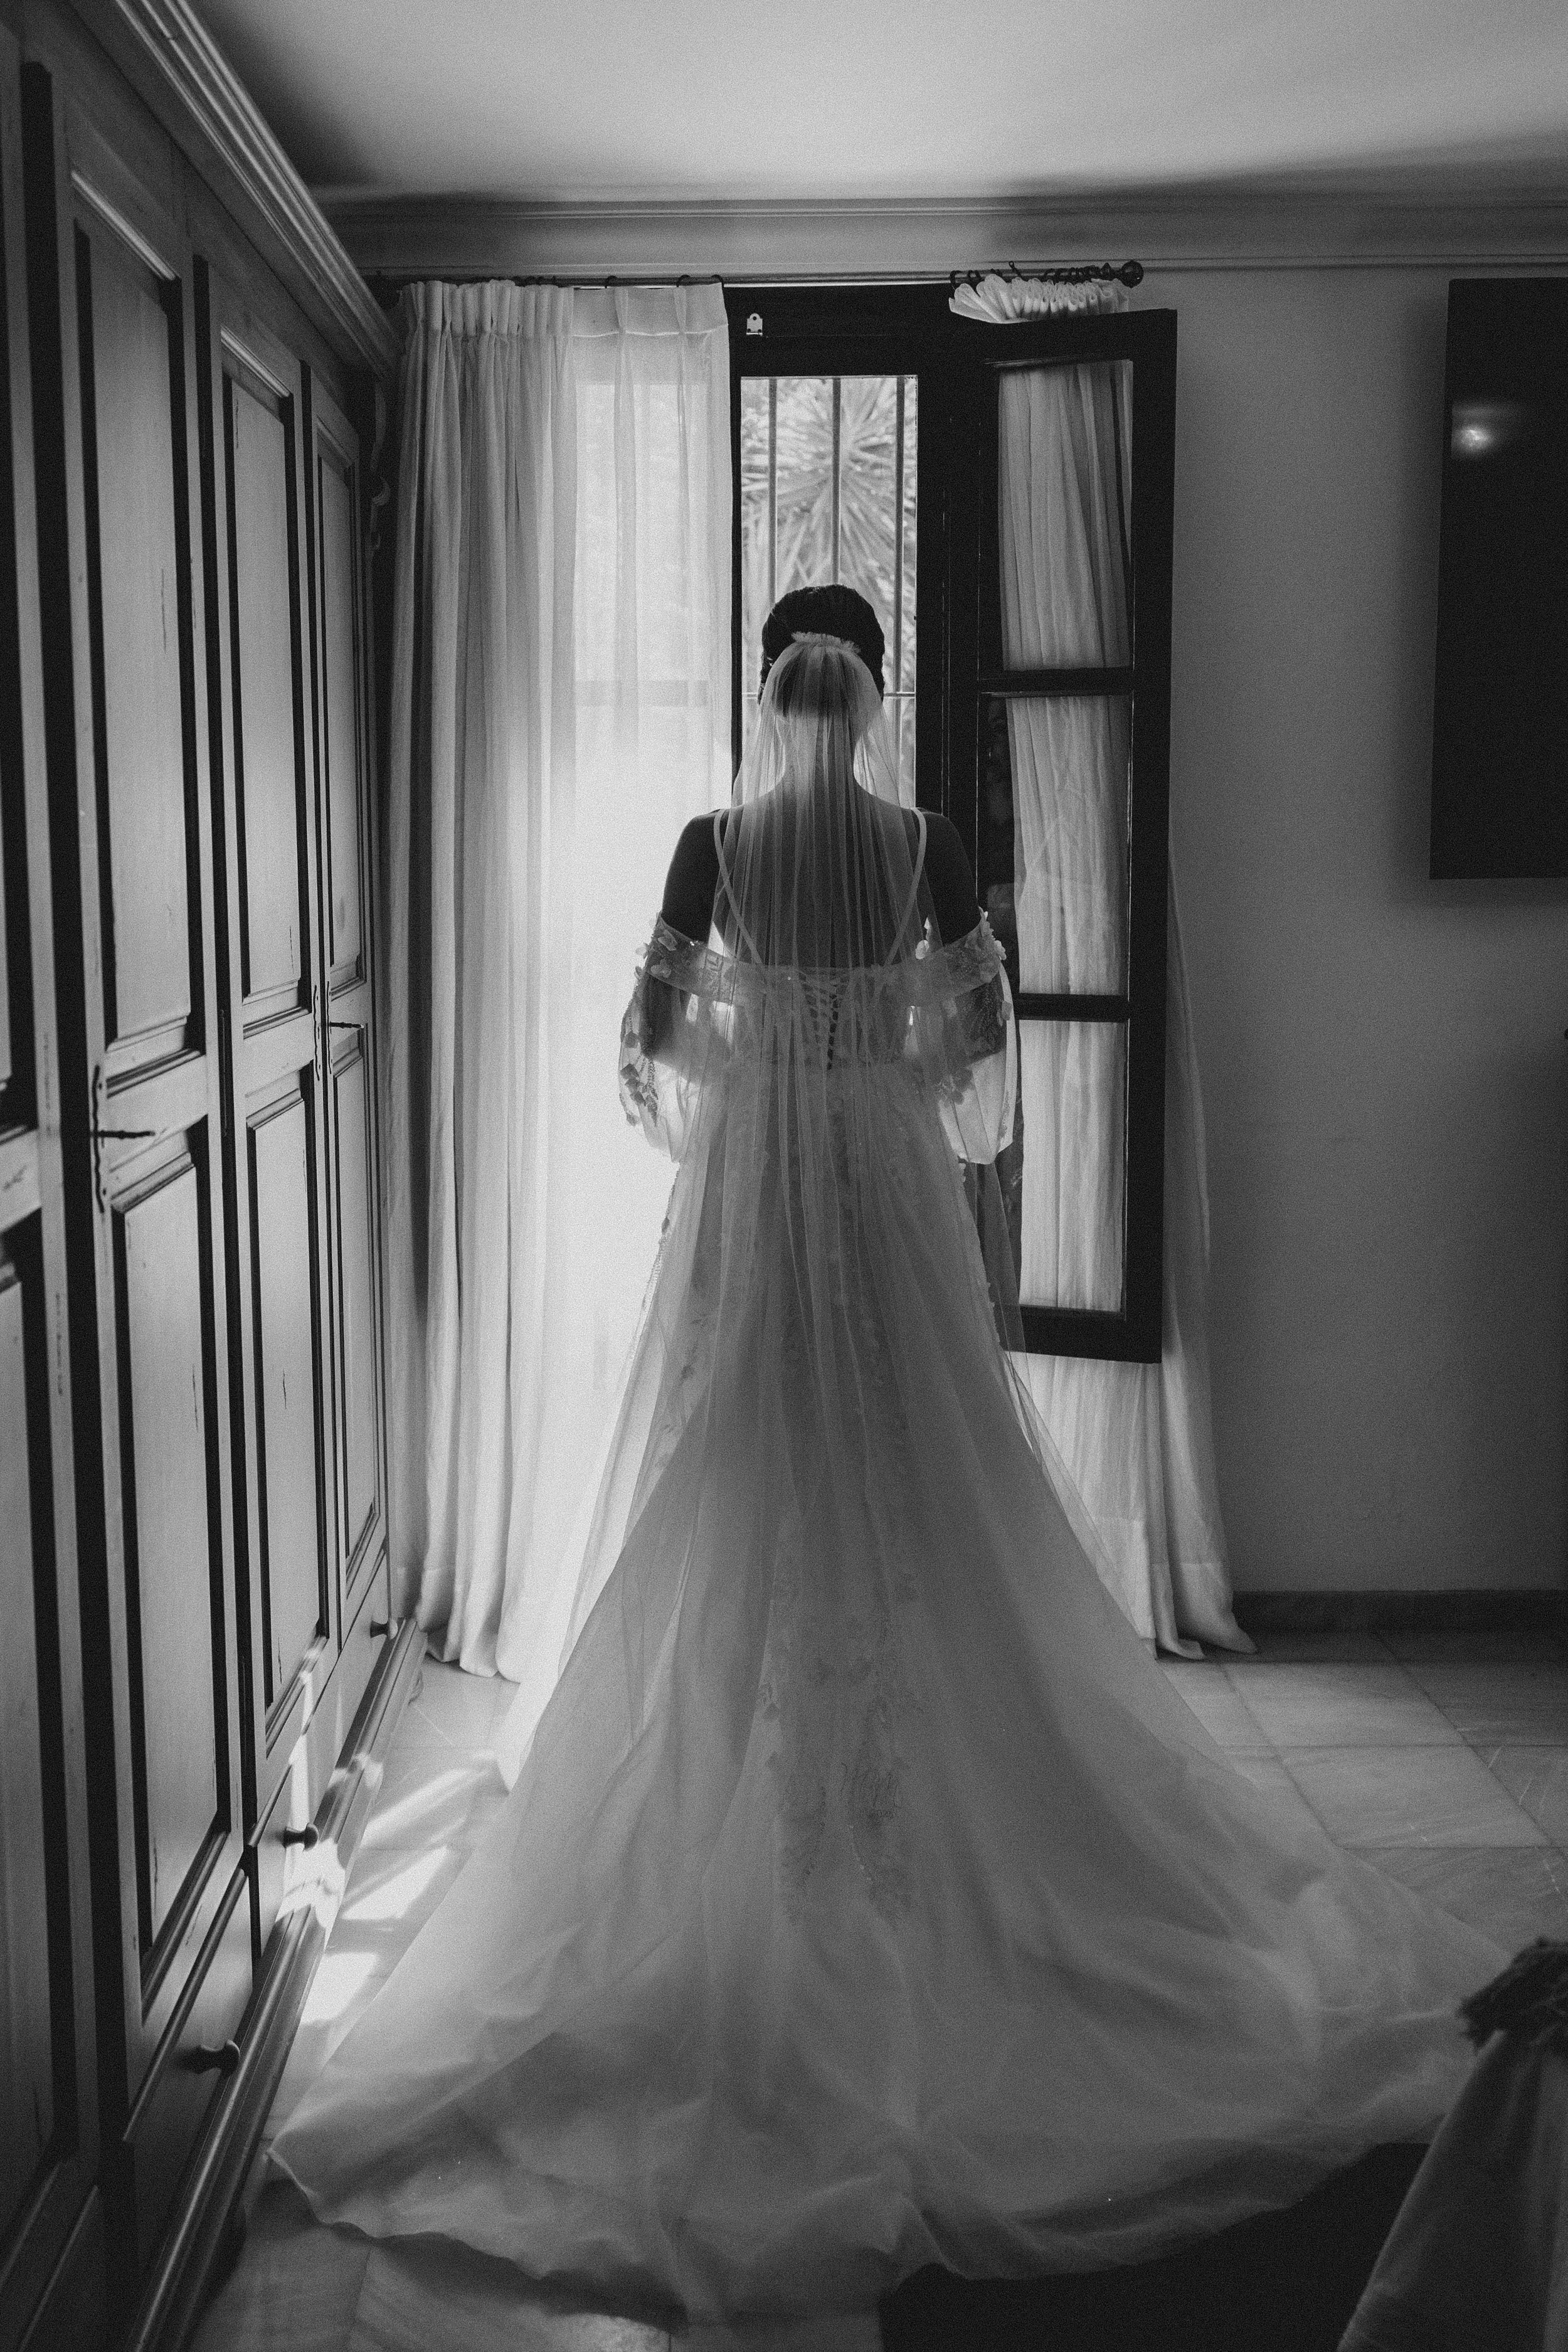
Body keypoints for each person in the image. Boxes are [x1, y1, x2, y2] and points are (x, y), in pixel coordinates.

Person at [271, 583, 1502, 2320]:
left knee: (736, 1475)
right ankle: (905, 1798)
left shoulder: (715, 837)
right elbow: (978, 1044)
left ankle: (752, 1790)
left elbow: (644, 1044)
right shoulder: (919, 837)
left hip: (756, 1201)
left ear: (770, 685)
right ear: (872, 687)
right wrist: (879, 1061)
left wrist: (754, 1072)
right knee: (928, 1485)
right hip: (887, 1199)